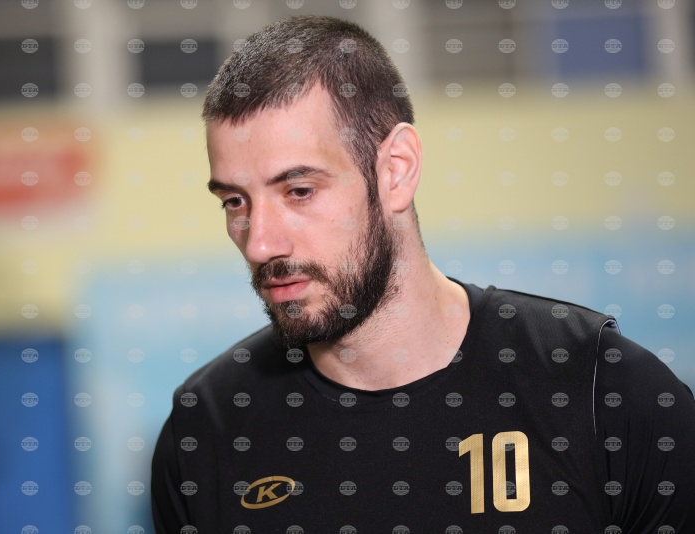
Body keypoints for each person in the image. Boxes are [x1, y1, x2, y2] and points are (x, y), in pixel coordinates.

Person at [151, 15, 695, 534]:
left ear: (396, 171)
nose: (261, 243)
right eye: (235, 201)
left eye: (299, 191)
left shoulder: (604, 392)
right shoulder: (207, 430)